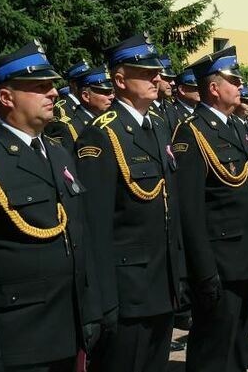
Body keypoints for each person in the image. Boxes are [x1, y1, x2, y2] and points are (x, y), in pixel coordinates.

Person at [0, 41, 101, 371]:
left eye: (52, 86)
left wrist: (92, 311)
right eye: (39, 87)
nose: (53, 93)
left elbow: (79, 237)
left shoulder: (57, 153)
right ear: (7, 97)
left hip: (68, 327)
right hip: (18, 337)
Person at [75, 32, 185, 372]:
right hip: (128, 291)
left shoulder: (159, 127)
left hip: (161, 285)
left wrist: (179, 277)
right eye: (146, 73)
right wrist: (104, 304)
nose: (157, 78)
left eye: (157, 71)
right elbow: (95, 227)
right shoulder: (102, 134)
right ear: (119, 80)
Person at [171, 46, 248, 372]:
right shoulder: (192, 132)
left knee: (237, 340)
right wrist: (203, 271)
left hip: (245, 257)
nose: (241, 85)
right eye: (234, 80)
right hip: (220, 262)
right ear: (214, 88)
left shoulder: (237, 127)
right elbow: (190, 210)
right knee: (213, 347)